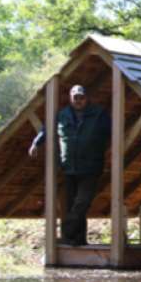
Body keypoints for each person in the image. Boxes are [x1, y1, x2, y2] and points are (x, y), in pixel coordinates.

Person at [29, 85, 111, 246]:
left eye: (81, 97)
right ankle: (78, 240)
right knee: (71, 205)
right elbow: (46, 130)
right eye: (75, 97)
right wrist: (35, 143)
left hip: (91, 167)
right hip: (69, 168)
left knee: (82, 203)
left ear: (87, 98)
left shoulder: (99, 114)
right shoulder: (62, 115)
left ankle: (66, 232)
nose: (78, 100)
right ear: (70, 98)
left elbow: (113, 132)